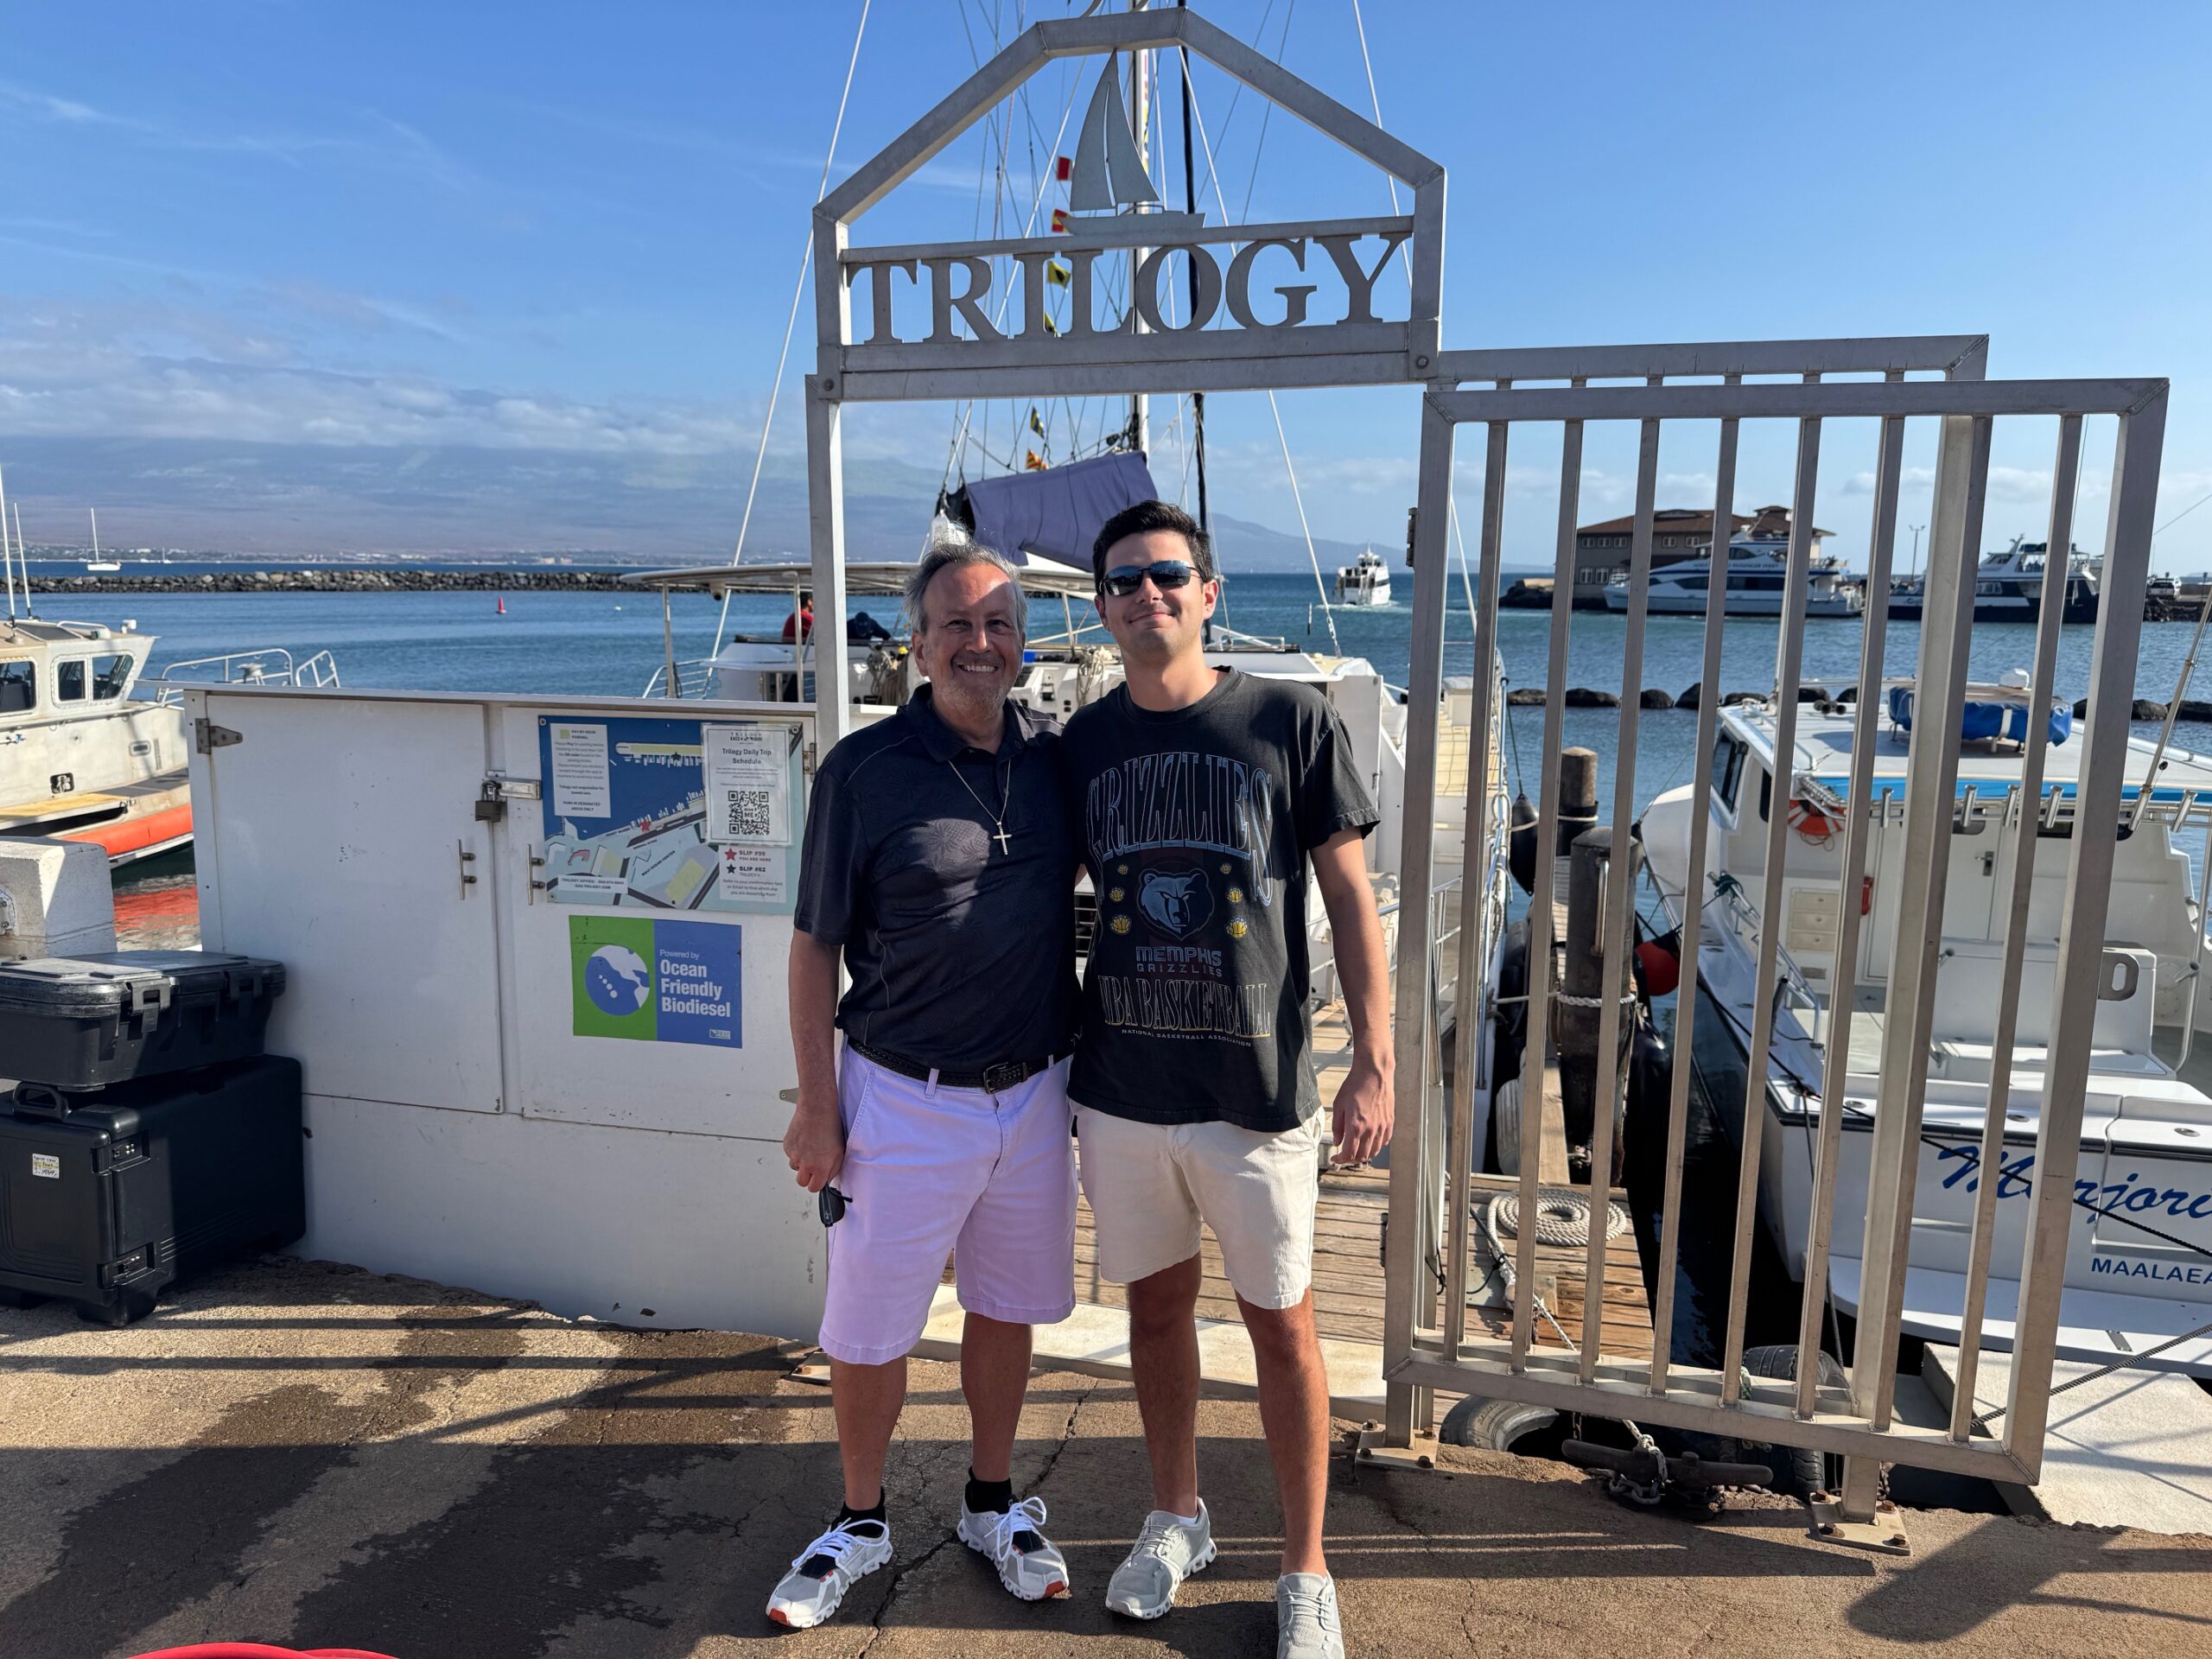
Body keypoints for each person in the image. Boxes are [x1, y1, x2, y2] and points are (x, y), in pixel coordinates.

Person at [1061, 500, 1393, 1659]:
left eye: (1166, 576)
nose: (1145, 595)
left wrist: (1373, 1067)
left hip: (1258, 1093)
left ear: (1209, 593)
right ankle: (1177, 1516)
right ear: (1100, 610)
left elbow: (1351, 900)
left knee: (1282, 1327)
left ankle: (1306, 1567)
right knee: (1154, 1309)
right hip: (1122, 1088)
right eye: (1122, 582)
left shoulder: (1289, 722)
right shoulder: (1083, 748)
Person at [769, 532, 1082, 1630]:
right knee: (868, 1326)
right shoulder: (861, 772)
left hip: (1033, 1093)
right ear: (916, 641)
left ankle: (991, 1504)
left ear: (1024, 643)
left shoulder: (1054, 758)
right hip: (899, 1092)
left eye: (999, 625)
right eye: (957, 624)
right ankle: (859, 1521)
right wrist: (817, 1103)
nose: (979, 644)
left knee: (1006, 1309)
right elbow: (812, 948)